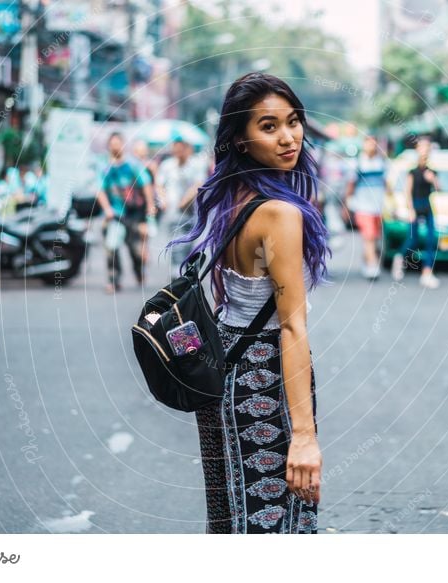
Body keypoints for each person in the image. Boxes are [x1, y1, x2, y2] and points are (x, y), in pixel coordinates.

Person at [168, 72, 329, 534]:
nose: (288, 137)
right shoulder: (279, 212)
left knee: (232, 524)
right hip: (262, 376)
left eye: (293, 121)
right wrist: (303, 436)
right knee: (274, 527)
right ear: (239, 140)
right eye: (268, 126)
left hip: (224, 372)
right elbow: (292, 326)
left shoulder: (234, 198)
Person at [96, 132, 157, 292]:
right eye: (112, 143)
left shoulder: (132, 165)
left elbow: (146, 184)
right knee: (111, 246)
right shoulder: (105, 168)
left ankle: (139, 272)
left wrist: (150, 205)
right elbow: (100, 191)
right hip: (116, 214)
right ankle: (114, 279)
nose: (115, 146)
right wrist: (107, 209)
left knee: (135, 249)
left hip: (134, 214)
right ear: (109, 146)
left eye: (118, 143)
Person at [391, 137, 441, 289]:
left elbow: (439, 189)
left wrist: (433, 180)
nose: (425, 150)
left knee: (431, 238)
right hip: (416, 205)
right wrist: (411, 209)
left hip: (427, 205)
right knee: (413, 238)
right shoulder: (412, 171)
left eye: (427, 147)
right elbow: (407, 191)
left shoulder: (431, 171)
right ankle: (399, 259)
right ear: (417, 150)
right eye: (422, 147)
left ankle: (427, 273)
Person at [156, 136, 207, 272]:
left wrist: (184, 202)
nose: (178, 152)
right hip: (171, 213)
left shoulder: (196, 164)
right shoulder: (167, 165)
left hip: (189, 212)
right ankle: (177, 272)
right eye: (175, 149)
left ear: (187, 149)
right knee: (174, 242)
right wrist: (163, 199)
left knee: (186, 243)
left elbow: (198, 184)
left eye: (180, 149)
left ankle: (183, 270)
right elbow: (159, 184)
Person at [344, 135, 389, 279]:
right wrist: (346, 205)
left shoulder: (382, 162)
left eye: (374, 144)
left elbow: (387, 184)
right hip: (362, 207)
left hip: (379, 207)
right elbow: (350, 185)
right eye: (369, 144)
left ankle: (367, 261)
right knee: (368, 237)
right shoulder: (358, 163)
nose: (372, 147)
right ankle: (372, 265)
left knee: (374, 238)